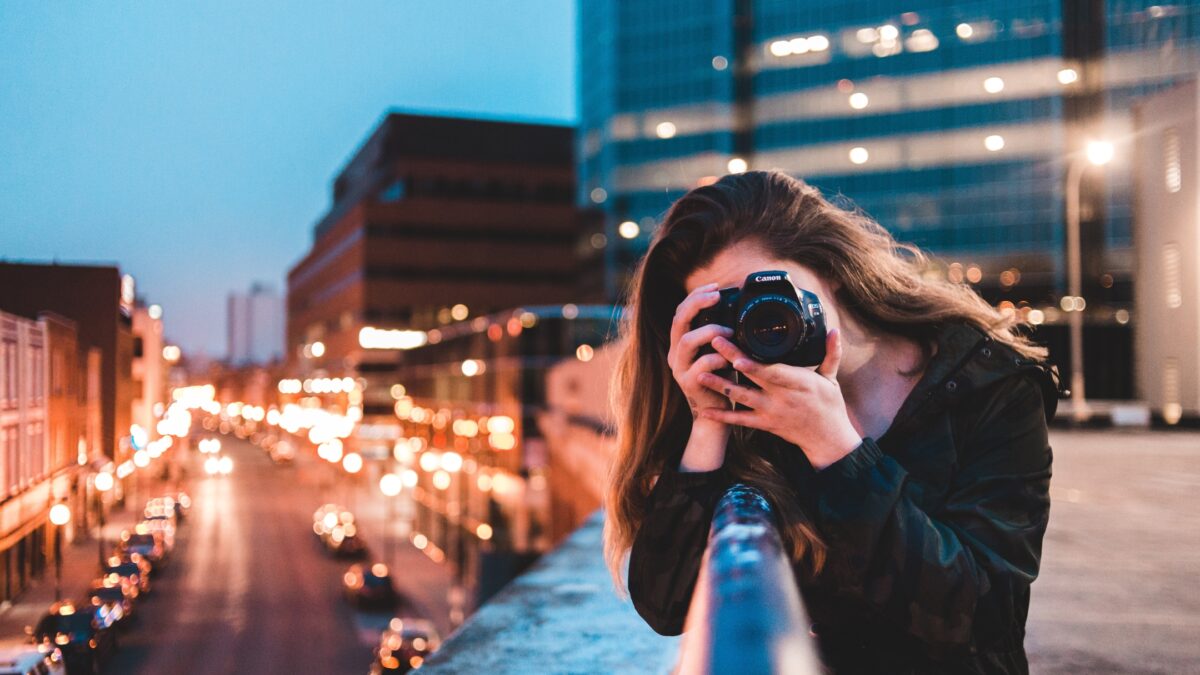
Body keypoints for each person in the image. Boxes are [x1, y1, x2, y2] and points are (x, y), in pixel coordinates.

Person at [603, 171, 1058, 673]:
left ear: (833, 269)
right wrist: (708, 418)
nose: (761, 322)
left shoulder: (989, 385)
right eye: (728, 311)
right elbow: (666, 607)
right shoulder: (743, 411)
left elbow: (984, 615)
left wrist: (836, 449)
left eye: (770, 292)